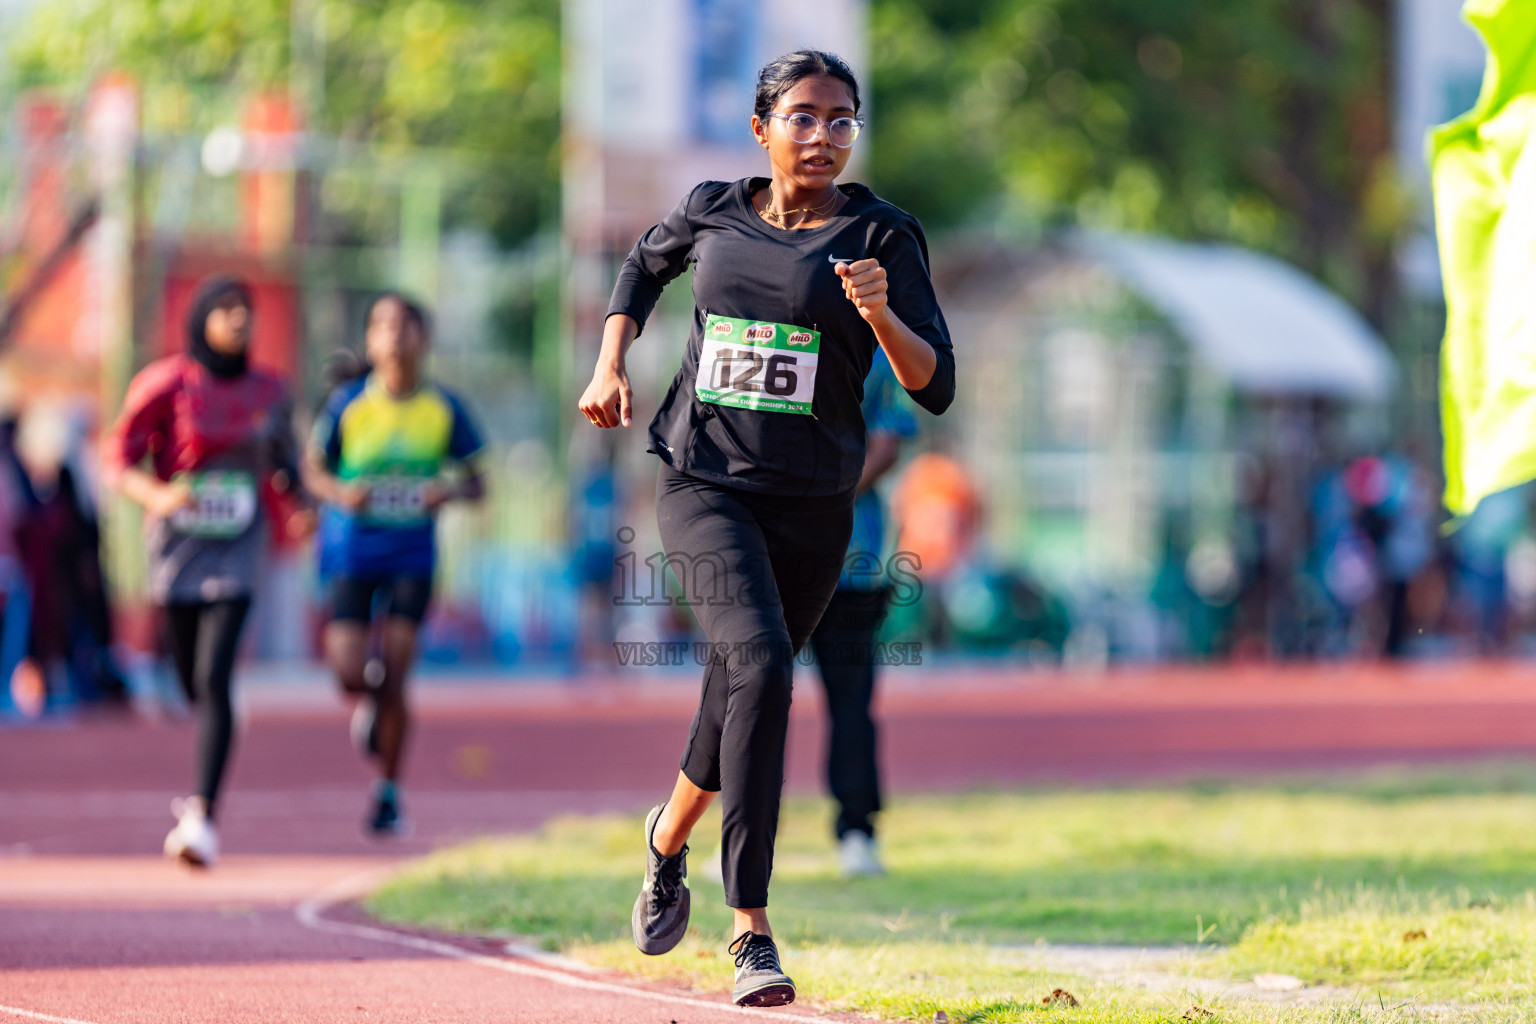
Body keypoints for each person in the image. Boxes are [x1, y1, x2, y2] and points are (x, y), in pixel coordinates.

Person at [578, 49, 954, 1008]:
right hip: (703, 482)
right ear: (762, 128)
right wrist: (609, 363)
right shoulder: (713, 208)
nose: (822, 135)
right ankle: (752, 930)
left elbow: (933, 384)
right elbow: (641, 266)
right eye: (803, 117)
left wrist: (879, 316)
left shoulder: (883, 235)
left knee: (736, 687)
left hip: (815, 506)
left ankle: (666, 841)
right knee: (766, 669)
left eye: (841, 120)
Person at [104, 275, 302, 867]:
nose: (240, 320)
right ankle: (210, 726)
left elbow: (285, 464)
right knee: (191, 681)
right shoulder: (165, 384)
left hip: (240, 545)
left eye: (247, 311)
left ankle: (202, 818)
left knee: (215, 676)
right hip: (179, 546)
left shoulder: (271, 390)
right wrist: (158, 497)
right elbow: (119, 460)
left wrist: (305, 508)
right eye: (226, 310)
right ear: (201, 320)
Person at [305, 292, 486, 836]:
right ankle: (371, 699)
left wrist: (445, 491)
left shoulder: (444, 409)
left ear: (422, 339)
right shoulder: (347, 405)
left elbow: (479, 483)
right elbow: (312, 469)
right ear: (369, 340)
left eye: (406, 325)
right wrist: (340, 492)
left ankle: (387, 791)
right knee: (349, 673)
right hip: (354, 552)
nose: (394, 335)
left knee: (401, 666)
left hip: (412, 553)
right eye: (382, 324)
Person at [807, 349, 915, 877]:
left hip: (852, 559)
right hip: (775, 554)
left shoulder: (878, 348)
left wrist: (817, 501)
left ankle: (857, 831)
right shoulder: (771, 325)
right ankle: (741, 830)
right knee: (750, 699)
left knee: (851, 701)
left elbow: (889, 444)